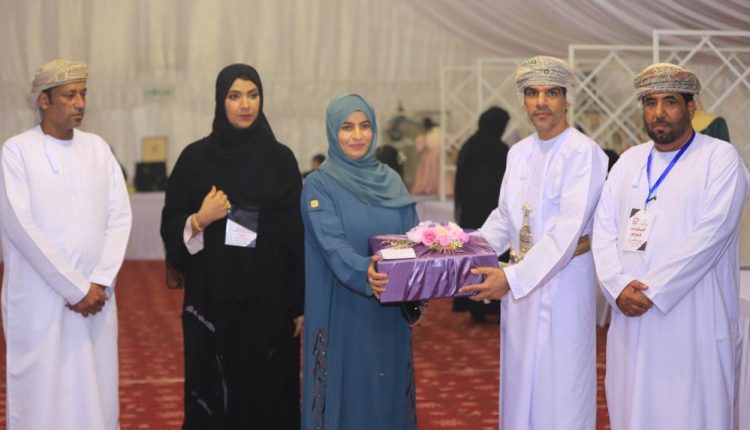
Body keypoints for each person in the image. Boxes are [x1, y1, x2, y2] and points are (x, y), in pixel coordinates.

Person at [592, 63, 749, 430]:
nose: (658, 112)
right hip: (630, 314)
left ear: (691, 107)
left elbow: (711, 235)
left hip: (693, 317)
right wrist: (617, 286)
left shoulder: (720, 158)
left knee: (691, 411)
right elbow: (603, 229)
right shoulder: (629, 160)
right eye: (650, 102)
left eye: (670, 102)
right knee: (633, 408)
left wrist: (653, 291)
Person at [459, 56, 608, 429]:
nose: (541, 102)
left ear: (566, 99)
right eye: (532, 93)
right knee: (520, 380)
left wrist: (510, 279)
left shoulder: (584, 152)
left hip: (565, 285)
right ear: (523, 100)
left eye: (551, 93)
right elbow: (504, 218)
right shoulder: (518, 152)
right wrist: (459, 253)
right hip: (521, 284)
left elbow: (567, 231)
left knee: (561, 387)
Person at [160, 64, 304, 429]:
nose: (245, 104)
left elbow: (297, 237)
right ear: (220, 101)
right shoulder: (195, 160)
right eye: (234, 96)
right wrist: (200, 219)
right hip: (213, 301)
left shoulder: (281, 160)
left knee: (268, 394)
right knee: (216, 395)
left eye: (253, 95)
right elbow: (171, 223)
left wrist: (300, 304)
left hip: (269, 303)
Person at [0, 59, 132, 429]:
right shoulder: (16, 152)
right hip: (41, 296)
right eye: (69, 95)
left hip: (96, 296)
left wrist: (100, 280)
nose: (80, 103)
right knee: (43, 390)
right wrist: (74, 288)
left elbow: (120, 216)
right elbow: (20, 226)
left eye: (83, 94)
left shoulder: (98, 148)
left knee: (96, 385)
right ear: (44, 101)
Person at [300, 94, 419, 430]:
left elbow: (412, 239)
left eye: (365, 126)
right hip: (341, 306)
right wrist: (363, 270)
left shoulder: (391, 181)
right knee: (345, 391)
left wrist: (418, 290)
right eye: (347, 127)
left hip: (389, 310)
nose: (357, 135)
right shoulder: (319, 184)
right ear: (333, 132)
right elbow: (331, 242)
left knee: (386, 390)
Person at [452, 106, 510, 322]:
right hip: (495, 213)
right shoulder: (503, 150)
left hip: (472, 211)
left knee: (474, 256)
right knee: (494, 256)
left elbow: (459, 180)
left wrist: (461, 206)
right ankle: (495, 305)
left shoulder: (469, 146)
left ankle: (473, 305)